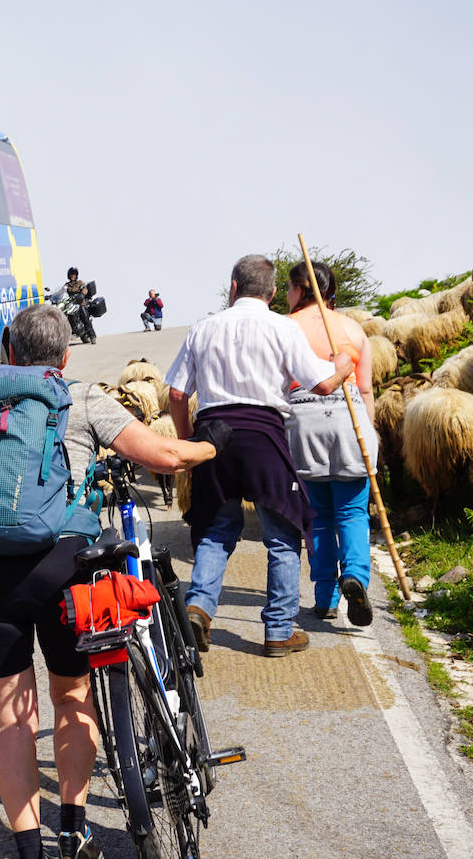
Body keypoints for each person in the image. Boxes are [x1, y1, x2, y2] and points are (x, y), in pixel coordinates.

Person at [0, 302, 221, 859]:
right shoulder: (82, 398)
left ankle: (28, 849)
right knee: (71, 696)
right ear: (65, 357)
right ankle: (72, 829)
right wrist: (214, 445)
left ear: (8, 352)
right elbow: (164, 455)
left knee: (10, 717)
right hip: (62, 568)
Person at [164, 254, 354, 658]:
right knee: (282, 534)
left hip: (213, 436)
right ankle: (278, 631)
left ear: (233, 287)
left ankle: (199, 608)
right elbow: (323, 385)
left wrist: (188, 443)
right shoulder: (283, 327)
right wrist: (342, 365)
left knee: (215, 529)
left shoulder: (203, 328)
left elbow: (177, 394)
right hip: (265, 435)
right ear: (272, 293)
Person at [283, 261, 378, 627]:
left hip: (303, 421)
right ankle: (354, 574)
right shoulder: (352, 329)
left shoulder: (285, 327)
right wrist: (370, 436)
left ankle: (325, 597)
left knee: (318, 517)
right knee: (352, 512)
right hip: (349, 418)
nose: (286, 295)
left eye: (289, 288)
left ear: (300, 288)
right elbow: (365, 389)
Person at [62, 267, 94, 342]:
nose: (73, 276)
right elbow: (62, 291)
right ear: (69, 275)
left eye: (74, 275)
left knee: (85, 318)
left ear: (76, 275)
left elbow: (85, 289)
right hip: (71, 304)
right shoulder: (67, 285)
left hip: (80, 303)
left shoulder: (80, 283)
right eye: (71, 274)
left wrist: (82, 294)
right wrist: (53, 295)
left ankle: (92, 336)